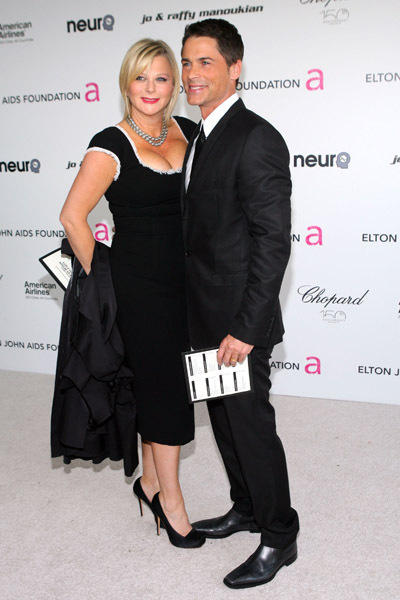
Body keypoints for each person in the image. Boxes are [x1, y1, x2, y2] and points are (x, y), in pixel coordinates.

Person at [59, 38, 204, 549]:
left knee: (157, 384)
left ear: (174, 87)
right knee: (166, 389)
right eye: (141, 78)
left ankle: (147, 483)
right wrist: (101, 276)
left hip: (186, 284)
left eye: (161, 78)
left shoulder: (188, 131)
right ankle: (171, 501)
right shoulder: (111, 143)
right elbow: (73, 217)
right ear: (127, 83)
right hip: (138, 289)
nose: (151, 88)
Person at [180, 19, 299, 585]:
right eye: (186, 62)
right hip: (203, 316)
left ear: (234, 67)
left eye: (205, 62)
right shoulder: (198, 137)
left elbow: (272, 243)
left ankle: (280, 535)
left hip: (238, 325)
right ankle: (247, 507)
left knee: (251, 427)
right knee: (224, 425)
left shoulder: (256, 137)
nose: (192, 74)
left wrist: (248, 328)